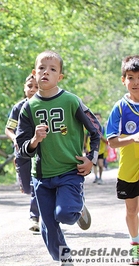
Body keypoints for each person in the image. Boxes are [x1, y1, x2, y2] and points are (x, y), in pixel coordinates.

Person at [15, 50, 100, 263]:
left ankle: (77, 207)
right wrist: (34, 140)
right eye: (42, 68)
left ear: (59, 76)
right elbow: (22, 146)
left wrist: (91, 158)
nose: (46, 72)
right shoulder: (28, 107)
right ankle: (65, 258)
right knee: (48, 225)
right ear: (34, 73)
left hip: (70, 170)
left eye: (52, 69)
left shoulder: (71, 101)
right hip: (42, 175)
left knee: (64, 214)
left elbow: (96, 131)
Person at [106, 55, 139, 264]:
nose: (136, 83)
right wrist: (133, 138)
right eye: (131, 77)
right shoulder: (120, 107)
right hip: (128, 168)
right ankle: (135, 245)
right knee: (131, 209)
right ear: (123, 80)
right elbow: (111, 141)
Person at [5, 74, 40, 232]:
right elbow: (9, 128)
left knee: (36, 185)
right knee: (27, 187)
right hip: (22, 153)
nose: (32, 90)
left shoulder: (44, 106)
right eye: (30, 86)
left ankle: (35, 217)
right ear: (24, 88)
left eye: (36, 87)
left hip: (40, 153)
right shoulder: (18, 108)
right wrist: (14, 139)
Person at [84, 112, 108, 185]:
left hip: (101, 150)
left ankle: (100, 177)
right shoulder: (89, 128)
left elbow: (107, 140)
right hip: (92, 149)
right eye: (95, 118)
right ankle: (96, 177)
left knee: (100, 164)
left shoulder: (103, 129)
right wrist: (85, 147)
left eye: (98, 118)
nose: (97, 120)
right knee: (94, 164)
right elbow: (85, 139)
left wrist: (100, 136)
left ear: (101, 119)